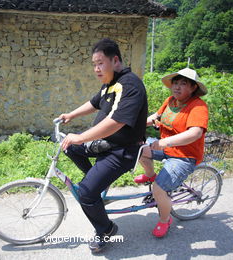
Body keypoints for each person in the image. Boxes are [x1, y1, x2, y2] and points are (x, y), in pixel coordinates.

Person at [59, 38, 148, 253]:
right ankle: (98, 183)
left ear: (115, 60)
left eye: (100, 63)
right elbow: (93, 103)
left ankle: (106, 229)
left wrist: (80, 137)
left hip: (122, 151)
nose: (96, 69)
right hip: (106, 145)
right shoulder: (110, 85)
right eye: (94, 64)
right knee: (69, 147)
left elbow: (116, 122)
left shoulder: (130, 85)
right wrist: (71, 115)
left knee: (86, 193)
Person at [134, 67, 209, 238]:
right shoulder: (171, 101)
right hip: (165, 148)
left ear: (193, 88)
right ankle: (151, 175)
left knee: (158, 189)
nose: (177, 87)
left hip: (184, 156)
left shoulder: (198, 106)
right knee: (137, 148)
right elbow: (156, 117)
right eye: (175, 83)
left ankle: (164, 219)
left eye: (183, 84)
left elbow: (195, 133)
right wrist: (131, 124)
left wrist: (165, 142)